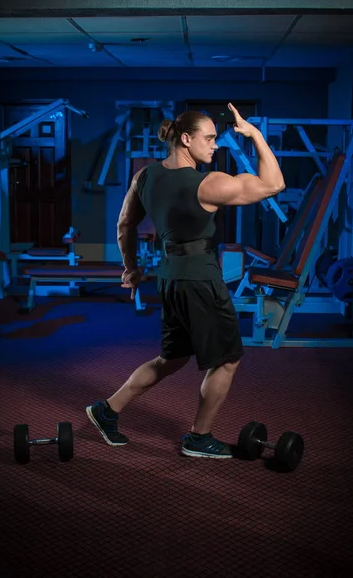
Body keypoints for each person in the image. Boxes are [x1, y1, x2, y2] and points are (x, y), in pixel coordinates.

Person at [86, 102, 285, 458]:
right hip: (201, 280)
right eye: (209, 139)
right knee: (226, 360)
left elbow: (124, 226)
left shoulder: (144, 177)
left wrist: (130, 268)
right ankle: (199, 437)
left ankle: (107, 409)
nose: (215, 145)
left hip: (170, 280)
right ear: (186, 138)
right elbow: (274, 184)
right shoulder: (209, 184)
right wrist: (254, 134)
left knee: (172, 358)